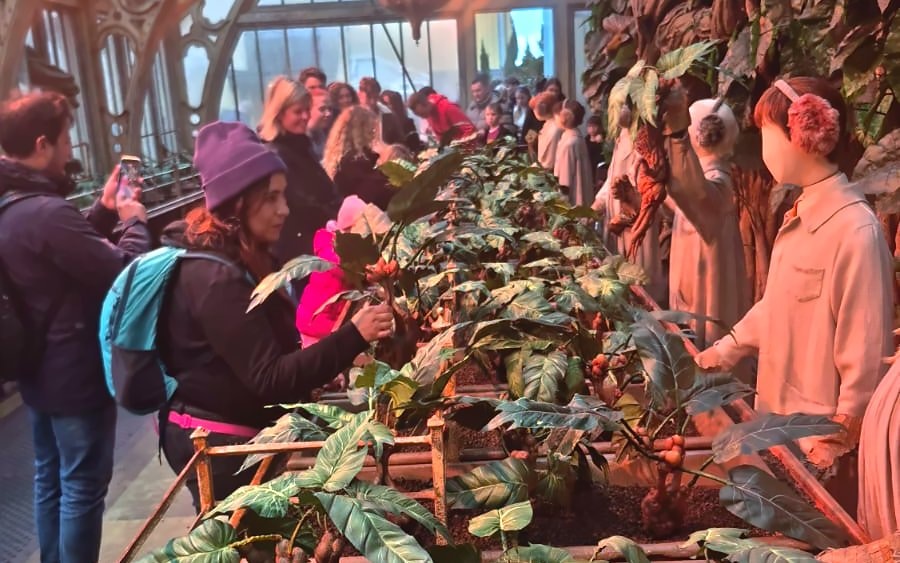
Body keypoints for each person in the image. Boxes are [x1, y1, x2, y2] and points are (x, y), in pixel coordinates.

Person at [157, 121, 394, 510]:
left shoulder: (244, 256)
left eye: (283, 196)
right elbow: (269, 379)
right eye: (270, 198)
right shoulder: (213, 277)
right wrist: (354, 334)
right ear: (236, 202)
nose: (284, 210)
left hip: (240, 434)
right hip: (218, 446)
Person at [695, 77, 893, 471]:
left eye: (768, 135)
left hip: (817, 447)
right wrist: (722, 352)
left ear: (806, 136)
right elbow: (777, 307)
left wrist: (838, 441)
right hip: (776, 428)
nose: (763, 148)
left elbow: (865, 356)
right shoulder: (801, 217)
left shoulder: (855, 231)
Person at [0, 90, 150, 562]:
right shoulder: (46, 212)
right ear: (43, 143)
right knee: (83, 487)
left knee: (50, 479)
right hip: (74, 376)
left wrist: (104, 210)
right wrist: (134, 220)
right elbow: (126, 272)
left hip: (36, 375)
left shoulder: (13, 206)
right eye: (66, 140)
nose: (71, 150)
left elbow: (61, 250)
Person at [663, 97, 750, 349]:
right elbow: (684, 207)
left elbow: (696, 195)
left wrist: (677, 139)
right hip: (690, 264)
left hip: (704, 267)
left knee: (706, 326)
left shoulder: (715, 179)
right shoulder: (704, 177)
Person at [258, 76, 339, 262]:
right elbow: (302, 204)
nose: (305, 117)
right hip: (300, 251)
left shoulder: (301, 146)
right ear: (279, 114)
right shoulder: (275, 155)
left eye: (306, 110)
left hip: (316, 241)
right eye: (297, 112)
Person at [323, 105, 395, 210]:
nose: (374, 134)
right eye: (372, 129)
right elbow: (372, 195)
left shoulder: (340, 160)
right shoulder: (355, 162)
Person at [553, 100, 593, 207]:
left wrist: (560, 202)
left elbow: (565, 179)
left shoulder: (570, 143)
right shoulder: (574, 135)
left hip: (573, 199)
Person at [407, 87, 477, 146]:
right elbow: (440, 137)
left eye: (422, 114)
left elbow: (470, 130)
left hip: (466, 148)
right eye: (419, 115)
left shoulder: (448, 108)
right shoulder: (429, 114)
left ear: (426, 104)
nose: (423, 118)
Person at [358, 77, 403, 147]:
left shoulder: (388, 115)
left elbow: (399, 141)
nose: (373, 101)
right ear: (360, 94)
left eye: (375, 97)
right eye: (369, 97)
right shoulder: (353, 116)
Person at [530, 91, 561, 170]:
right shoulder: (547, 123)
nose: (533, 112)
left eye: (534, 109)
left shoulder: (556, 128)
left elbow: (550, 162)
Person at [307, 89, 335, 160]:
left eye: (330, 109)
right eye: (322, 109)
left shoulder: (326, 134)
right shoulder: (300, 139)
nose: (328, 114)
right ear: (308, 110)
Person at [585, 115, 606, 180]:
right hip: (588, 169)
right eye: (589, 127)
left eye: (594, 126)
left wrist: (602, 142)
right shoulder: (585, 140)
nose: (591, 129)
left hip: (600, 170)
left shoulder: (604, 139)